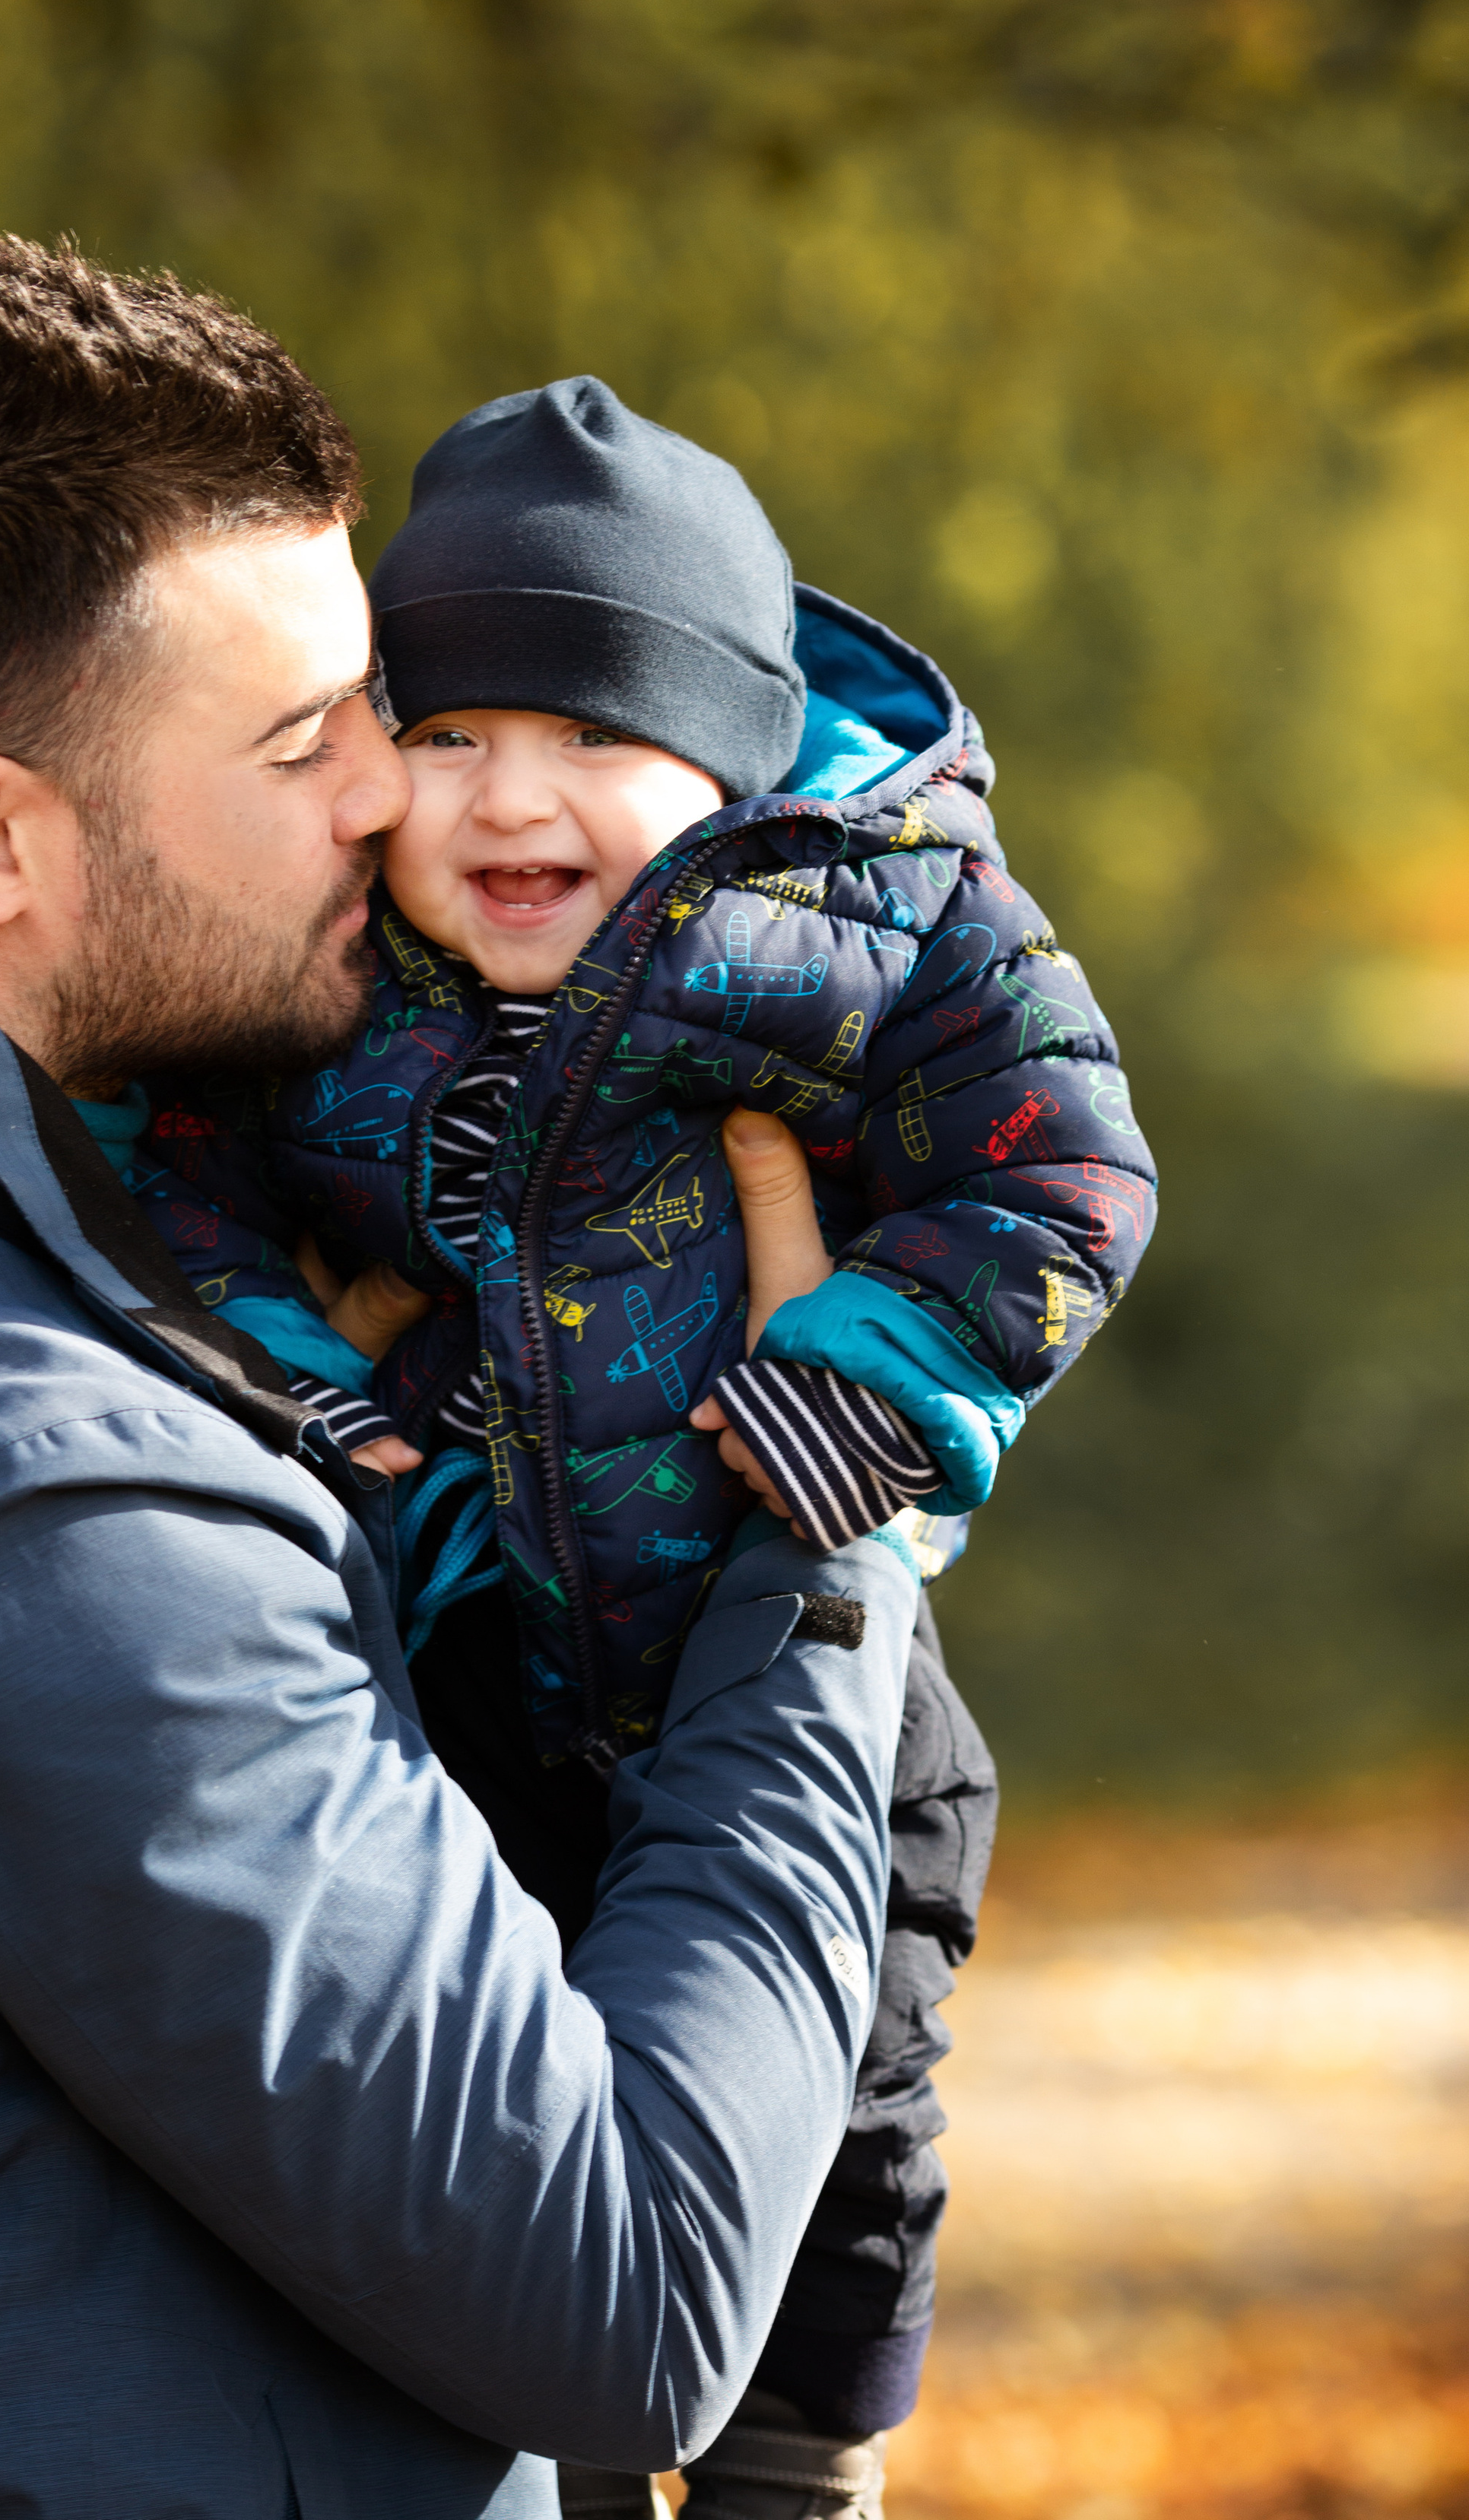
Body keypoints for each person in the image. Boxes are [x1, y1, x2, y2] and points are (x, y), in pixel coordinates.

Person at [0, 236, 936, 2520]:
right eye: (311, 739)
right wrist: (818, 1529)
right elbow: (641, 2305)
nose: (393, 798)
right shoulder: (48, 1513)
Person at [128, 378, 1157, 2517]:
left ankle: (807, 2464)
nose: (516, 798)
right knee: (529, 2130)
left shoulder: (881, 917)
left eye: (598, 735)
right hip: (482, 1679)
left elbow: (1067, 1171)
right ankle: (582, 2458)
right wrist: (265, 1374)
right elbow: (175, 1166)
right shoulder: (335, 978)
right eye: (448, 735)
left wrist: (870, 1372)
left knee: (850, 2092)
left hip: (779, 1630)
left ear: (732, 759)